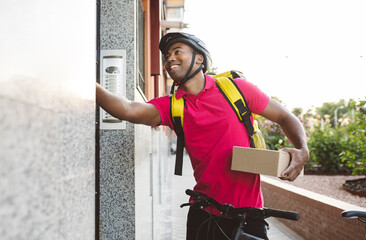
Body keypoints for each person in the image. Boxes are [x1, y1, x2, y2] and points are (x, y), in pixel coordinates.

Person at [96, 32, 309, 239]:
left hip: (247, 215)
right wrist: (87, 83)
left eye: (177, 51)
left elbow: (284, 116)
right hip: (203, 213)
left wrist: (302, 150)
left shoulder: (236, 90)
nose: (170, 58)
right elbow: (127, 109)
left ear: (199, 59)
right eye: (167, 55)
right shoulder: (172, 106)